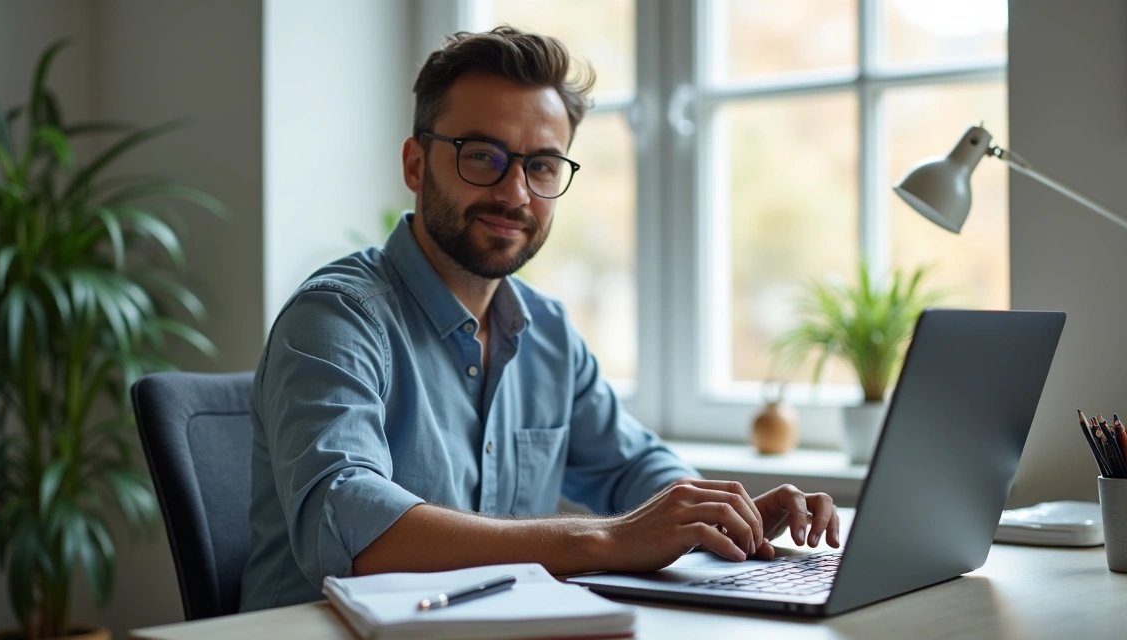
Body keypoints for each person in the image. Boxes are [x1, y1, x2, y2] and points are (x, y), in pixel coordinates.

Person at [239, 26, 840, 612]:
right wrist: (606, 540)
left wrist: (721, 514)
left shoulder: (547, 332)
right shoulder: (337, 317)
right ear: (416, 165)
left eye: (543, 166)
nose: (516, 194)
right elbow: (355, 529)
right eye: (483, 156)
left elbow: (634, 466)